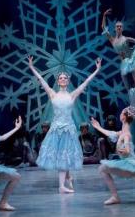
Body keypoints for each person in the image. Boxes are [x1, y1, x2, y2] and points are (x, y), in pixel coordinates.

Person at [28, 55, 101, 193]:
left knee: (64, 156)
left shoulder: (72, 95)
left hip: (68, 130)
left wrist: (96, 70)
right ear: (57, 81)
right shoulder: (52, 94)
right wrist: (32, 67)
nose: (62, 79)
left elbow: (85, 82)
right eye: (60, 78)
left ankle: (64, 183)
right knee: (61, 156)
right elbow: (41, 80)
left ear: (68, 81)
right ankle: (65, 181)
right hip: (56, 130)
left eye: (65, 78)